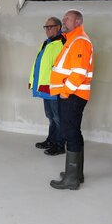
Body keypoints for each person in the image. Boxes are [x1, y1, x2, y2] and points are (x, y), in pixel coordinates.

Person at [49, 10, 93, 190]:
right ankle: (75, 174)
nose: (64, 20)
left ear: (78, 22)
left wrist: (65, 92)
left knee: (70, 134)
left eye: (68, 18)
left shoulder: (80, 41)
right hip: (71, 95)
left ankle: (71, 179)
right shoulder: (72, 39)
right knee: (74, 132)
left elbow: (79, 73)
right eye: (64, 18)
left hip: (72, 95)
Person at [29, 16, 65, 155]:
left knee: (58, 117)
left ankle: (60, 145)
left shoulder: (62, 43)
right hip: (45, 87)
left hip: (55, 87)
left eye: (50, 27)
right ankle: (51, 140)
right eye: (46, 27)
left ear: (58, 27)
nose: (47, 30)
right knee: (50, 116)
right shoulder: (46, 43)